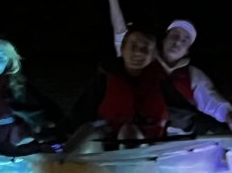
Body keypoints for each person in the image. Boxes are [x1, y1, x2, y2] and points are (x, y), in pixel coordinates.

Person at [107, 0, 232, 134]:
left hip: (179, 141)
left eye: (185, 40)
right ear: (164, 39)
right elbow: (122, 36)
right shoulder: (143, 59)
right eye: (174, 35)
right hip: (142, 133)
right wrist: (113, 0)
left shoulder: (193, 75)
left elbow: (215, 103)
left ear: (187, 50)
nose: (178, 41)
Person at [59, 25, 169, 153]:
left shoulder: (163, 82)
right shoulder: (106, 76)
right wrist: (62, 131)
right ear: (122, 49)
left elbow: (180, 112)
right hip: (107, 137)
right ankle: (63, 161)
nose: (138, 52)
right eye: (133, 46)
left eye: (145, 48)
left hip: (146, 143)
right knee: (86, 130)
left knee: (129, 132)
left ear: (153, 55)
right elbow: (83, 109)